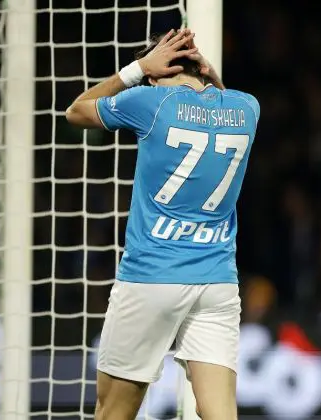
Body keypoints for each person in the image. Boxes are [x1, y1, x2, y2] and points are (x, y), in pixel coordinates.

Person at [66, 28, 260, 420]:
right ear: (200, 67)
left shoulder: (151, 100)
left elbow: (76, 110)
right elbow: (218, 98)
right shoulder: (247, 109)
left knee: (112, 412)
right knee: (221, 414)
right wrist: (210, 75)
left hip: (151, 277)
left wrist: (137, 69)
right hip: (216, 282)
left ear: (157, 74)